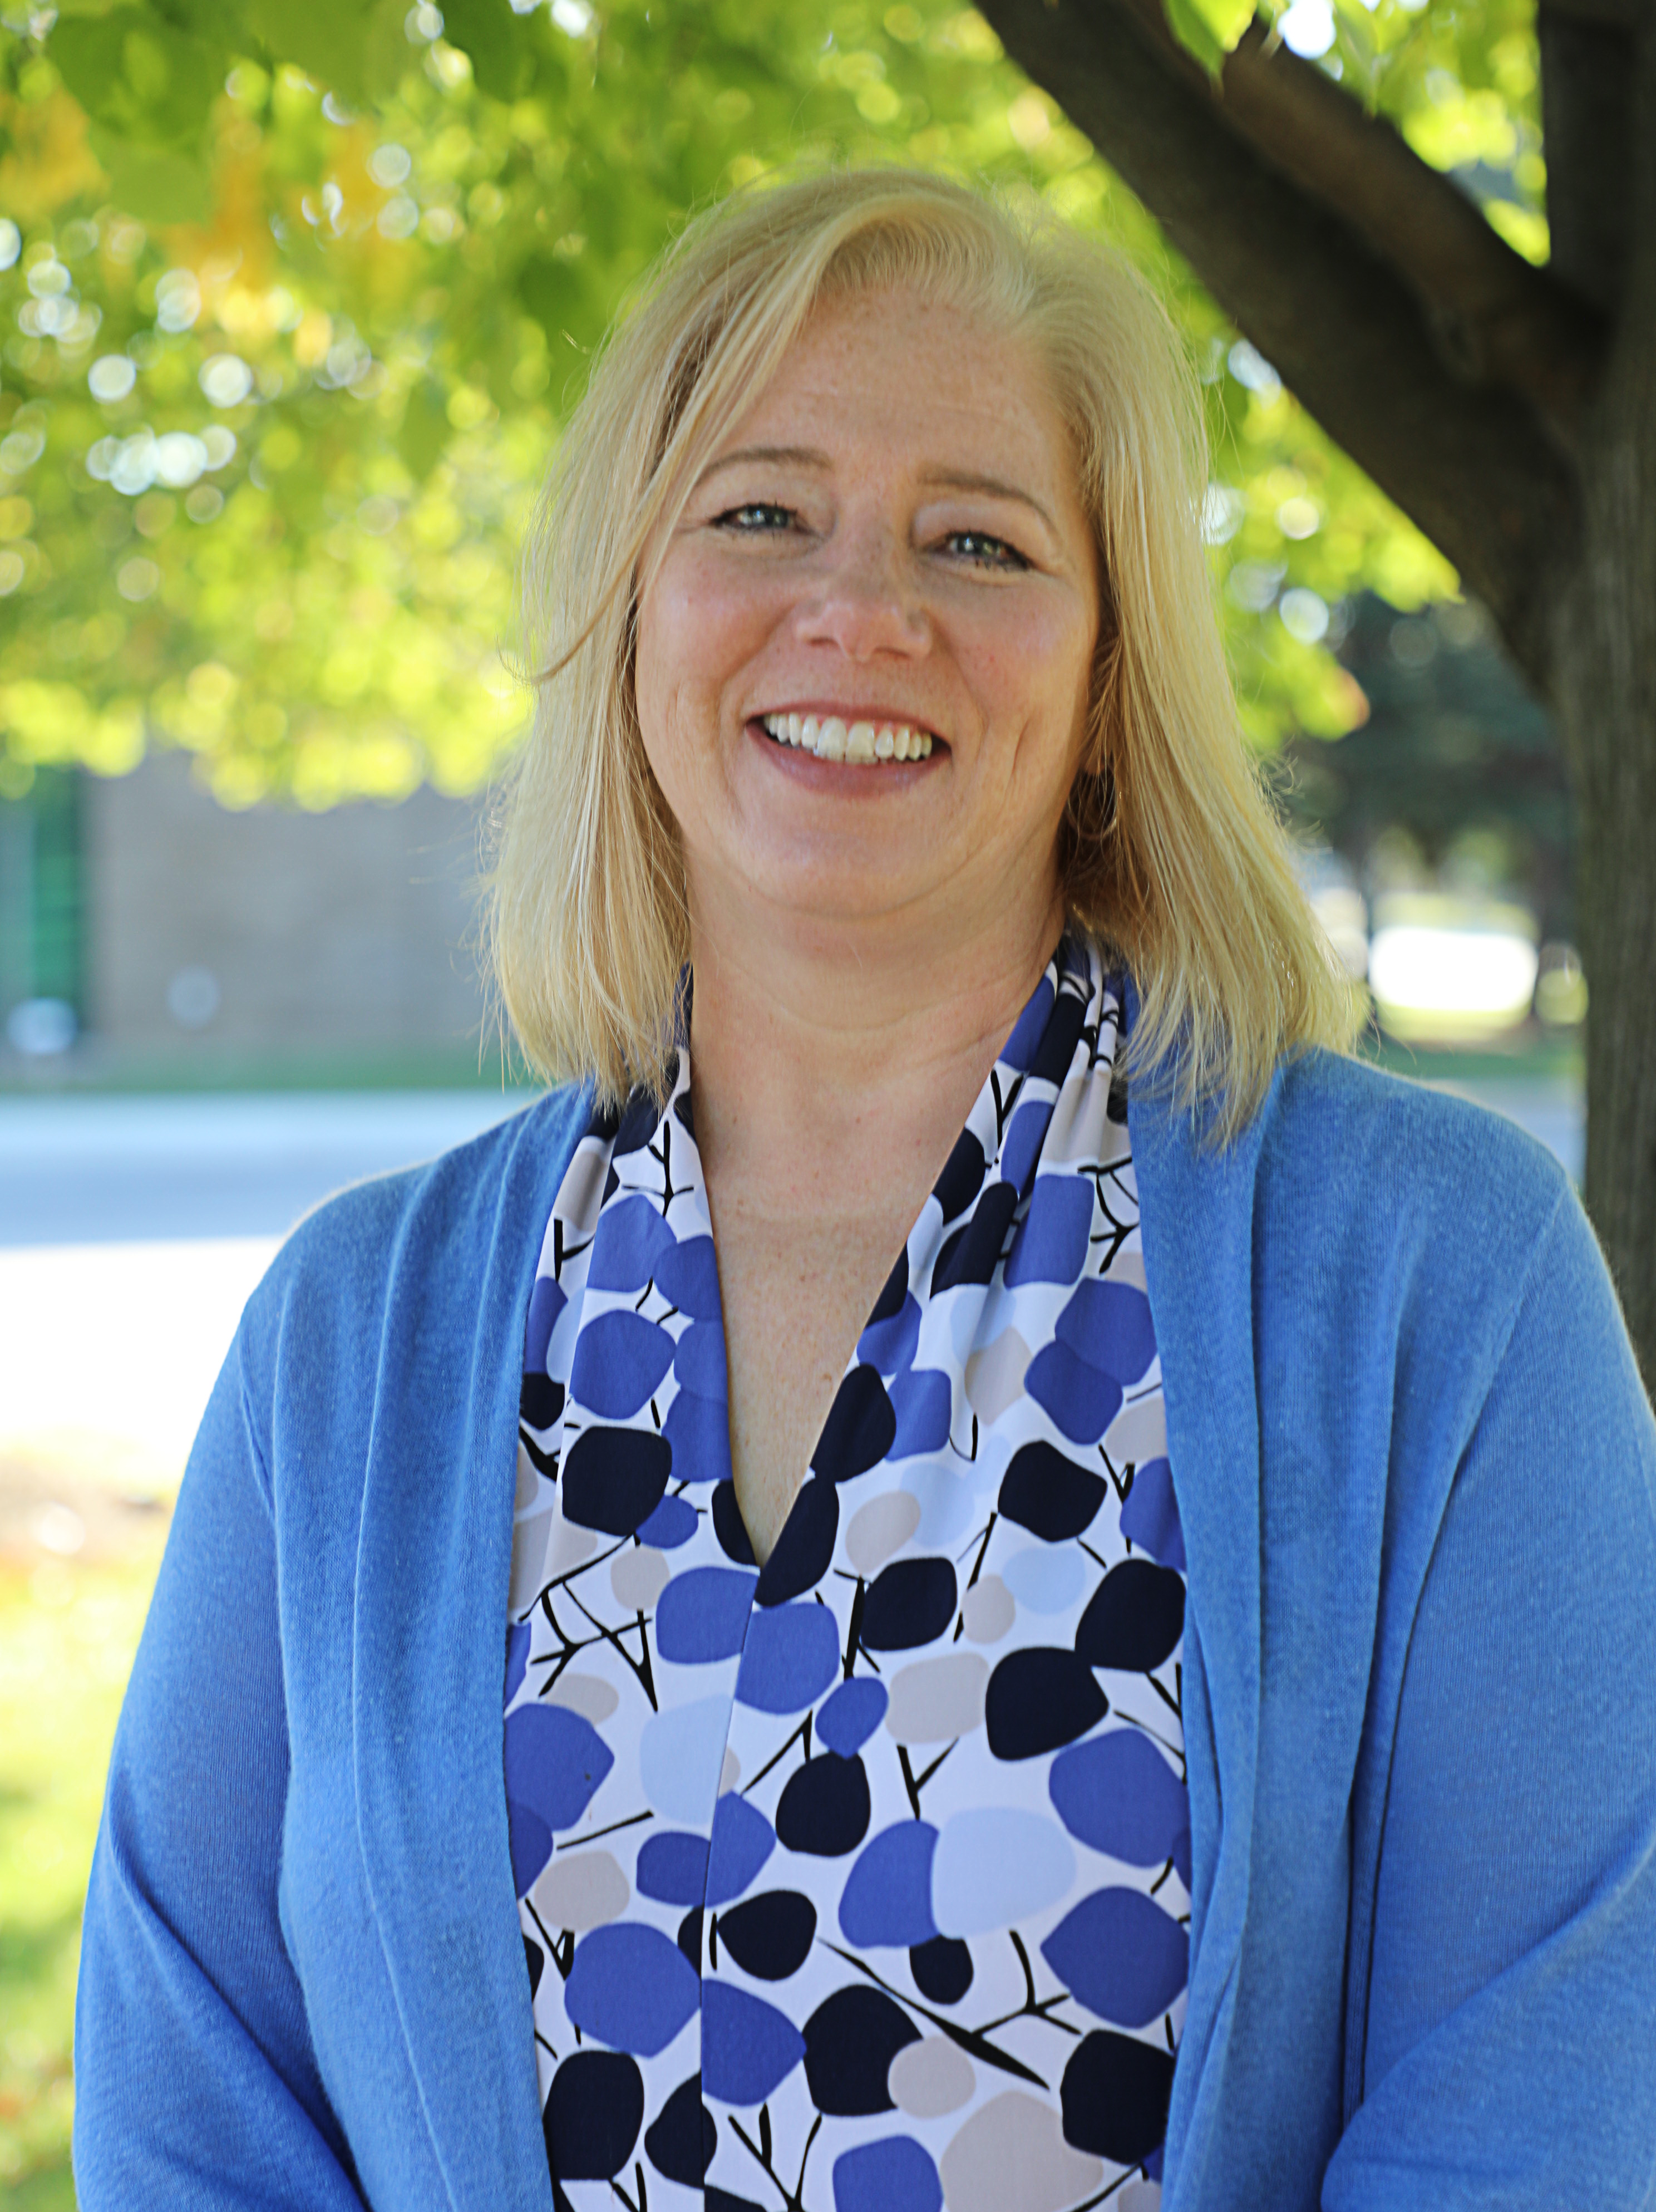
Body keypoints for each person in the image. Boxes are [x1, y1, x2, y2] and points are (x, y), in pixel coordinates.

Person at [73, 169, 1656, 2212]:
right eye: (759, 512)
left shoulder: (1430, 1281)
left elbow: (1544, 2102)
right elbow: (193, 2107)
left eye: (978, 540)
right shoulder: (348, 1339)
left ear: (1107, 683)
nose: (862, 611)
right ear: (634, 606)